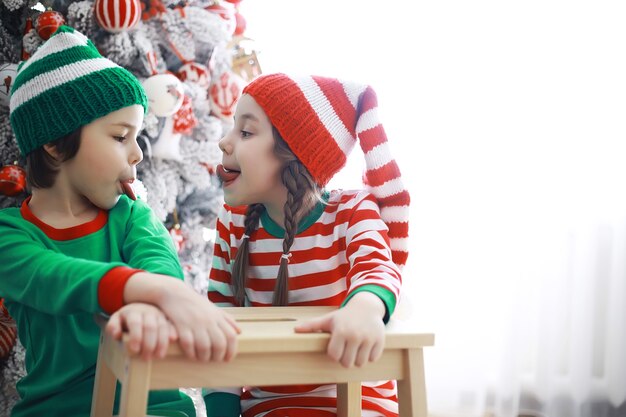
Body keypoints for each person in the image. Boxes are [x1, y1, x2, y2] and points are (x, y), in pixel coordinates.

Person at [0, 25, 240, 417]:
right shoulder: (10, 235)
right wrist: (143, 291)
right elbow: (53, 277)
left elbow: (159, 263)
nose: (138, 155)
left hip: (158, 407)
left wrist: (155, 294)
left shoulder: (131, 217)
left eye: (138, 137)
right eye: (119, 136)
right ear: (55, 143)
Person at [205, 73, 410, 417]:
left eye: (245, 131)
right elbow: (218, 325)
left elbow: (377, 269)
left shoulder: (351, 212)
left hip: (359, 400)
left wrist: (365, 308)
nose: (224, 143)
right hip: (270, 406)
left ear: (292, 153)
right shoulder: (232, 224)